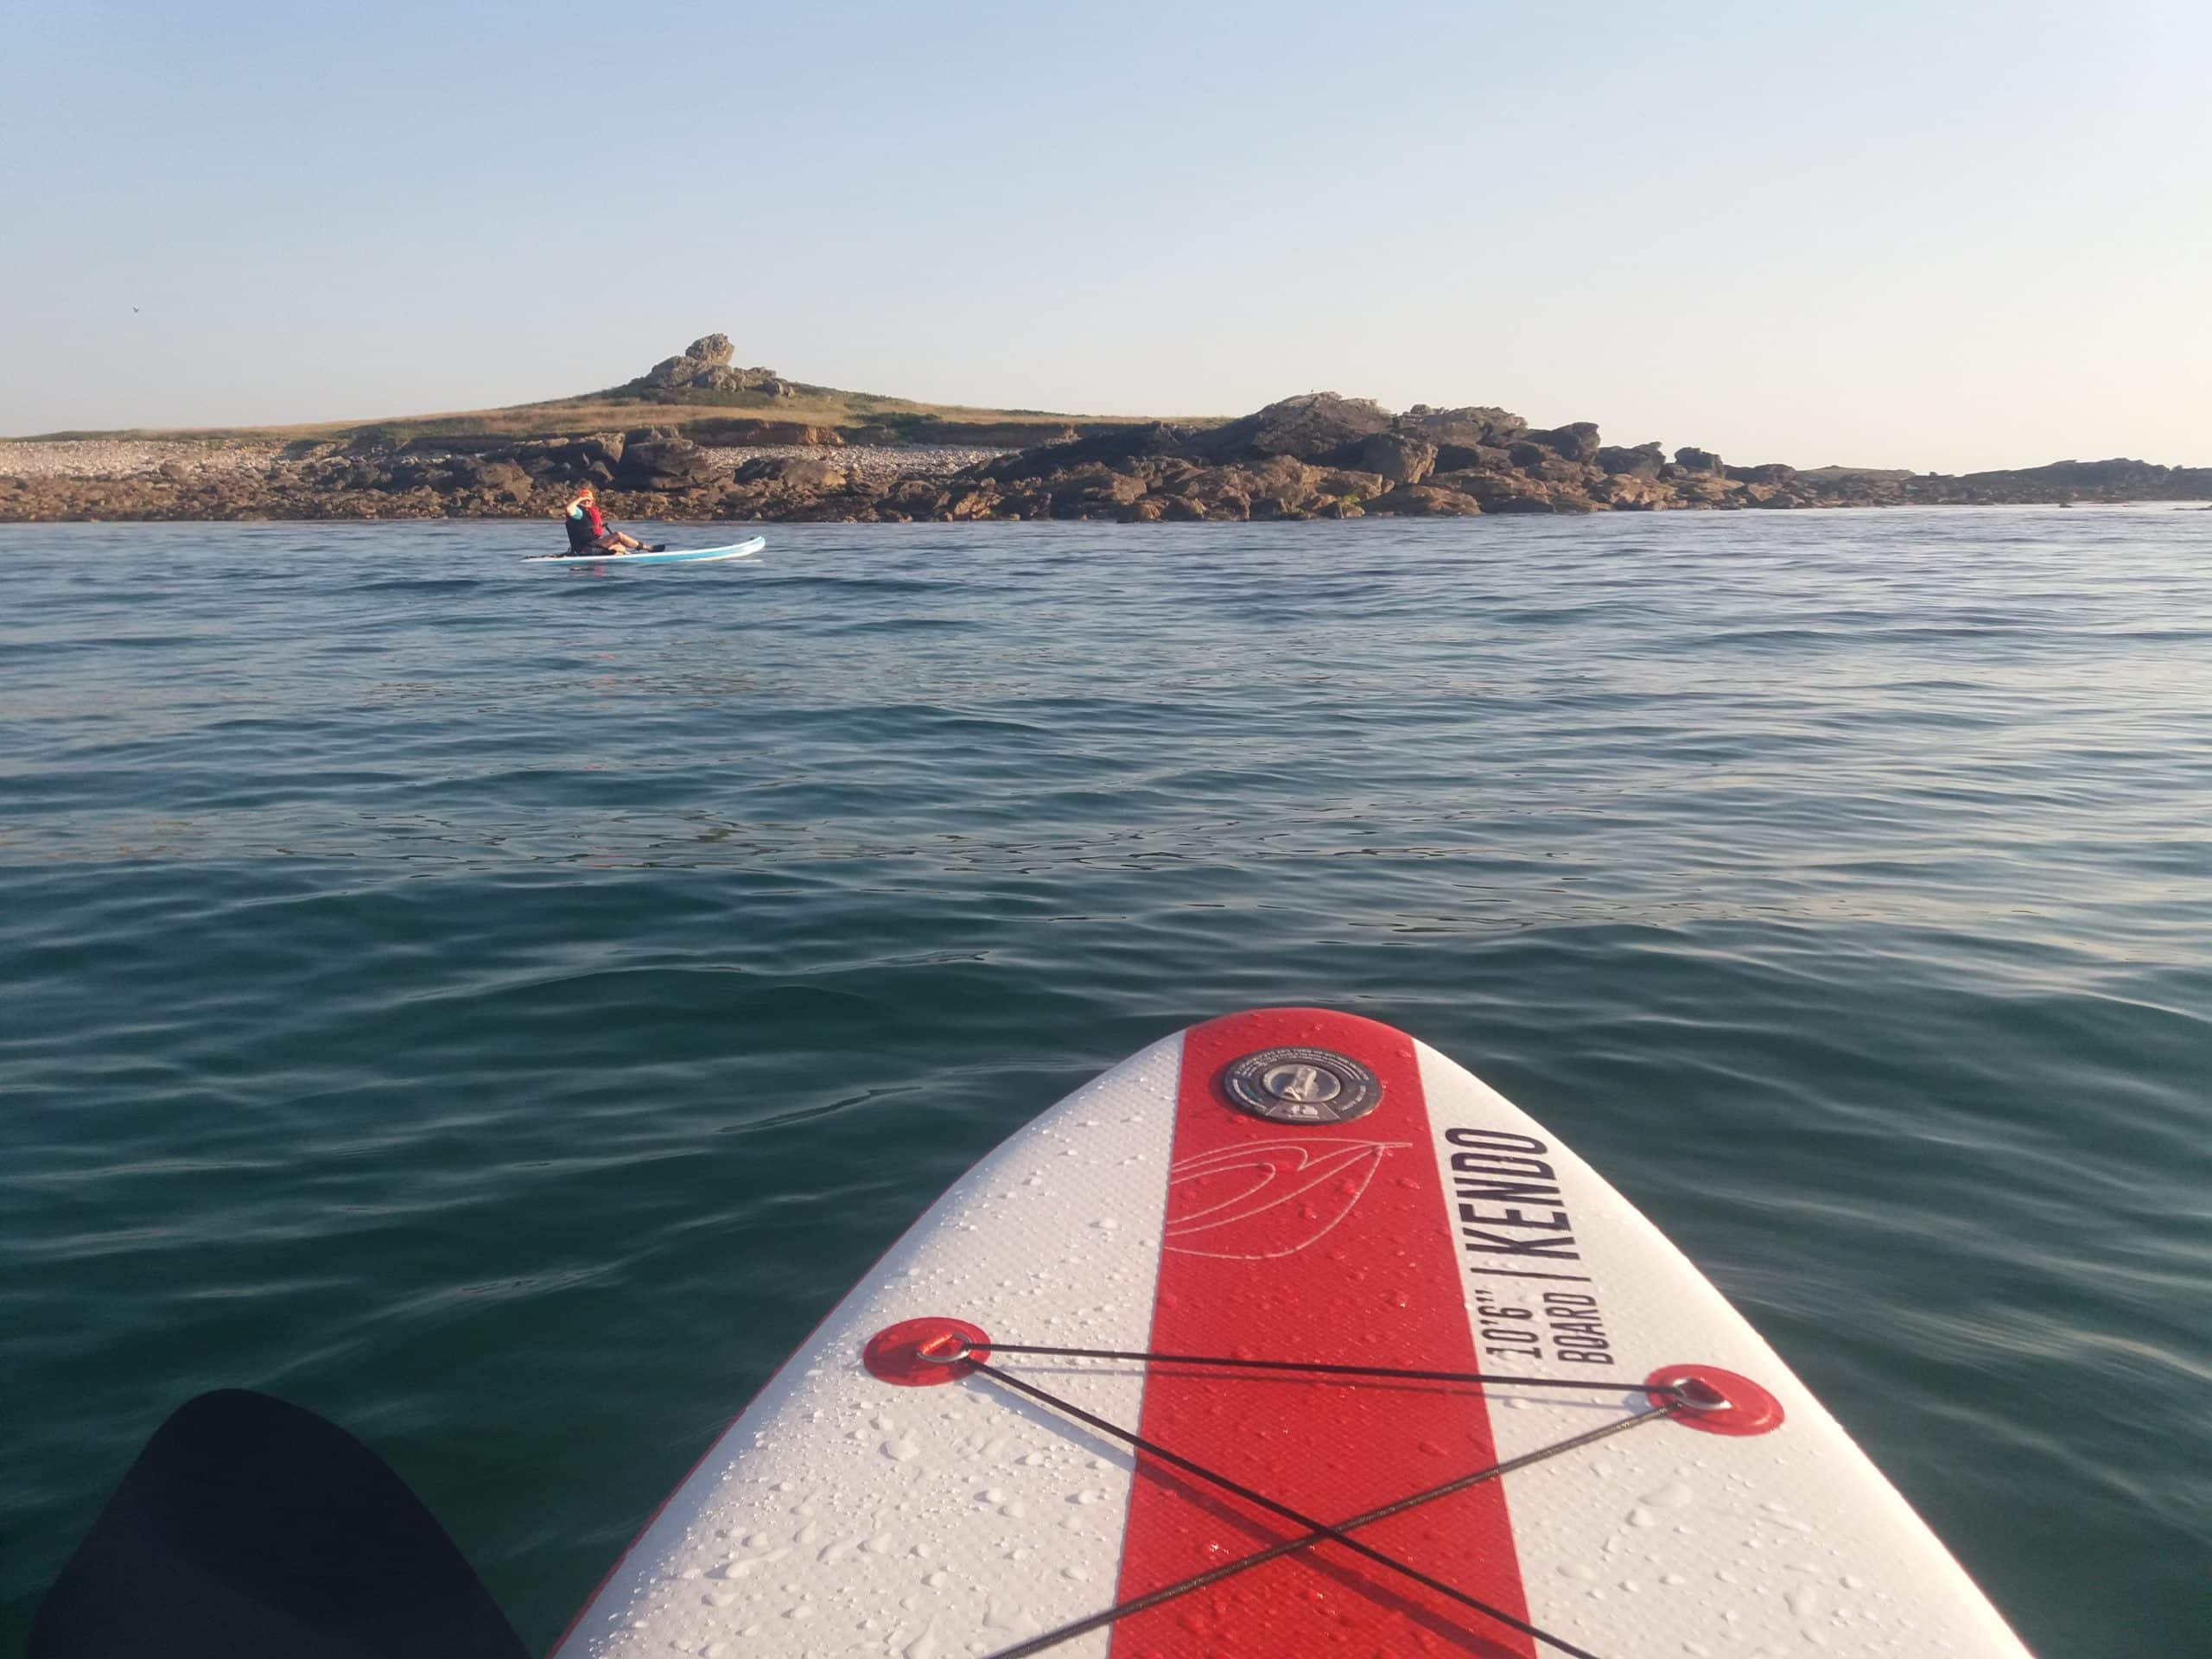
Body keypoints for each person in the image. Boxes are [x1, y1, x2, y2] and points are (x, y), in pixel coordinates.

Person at [563, 485, 653, 556]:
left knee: (620, 548)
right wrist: (581, 498)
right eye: (584, 500)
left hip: (592, 545)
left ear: (592, 501)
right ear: (580, 500)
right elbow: (568, 509)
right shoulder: (578, 512)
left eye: (588, 500)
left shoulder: (589, 512)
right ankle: (648, 548)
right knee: (619, 535)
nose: (586, 502)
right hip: (585, 548)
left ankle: (607, 553)